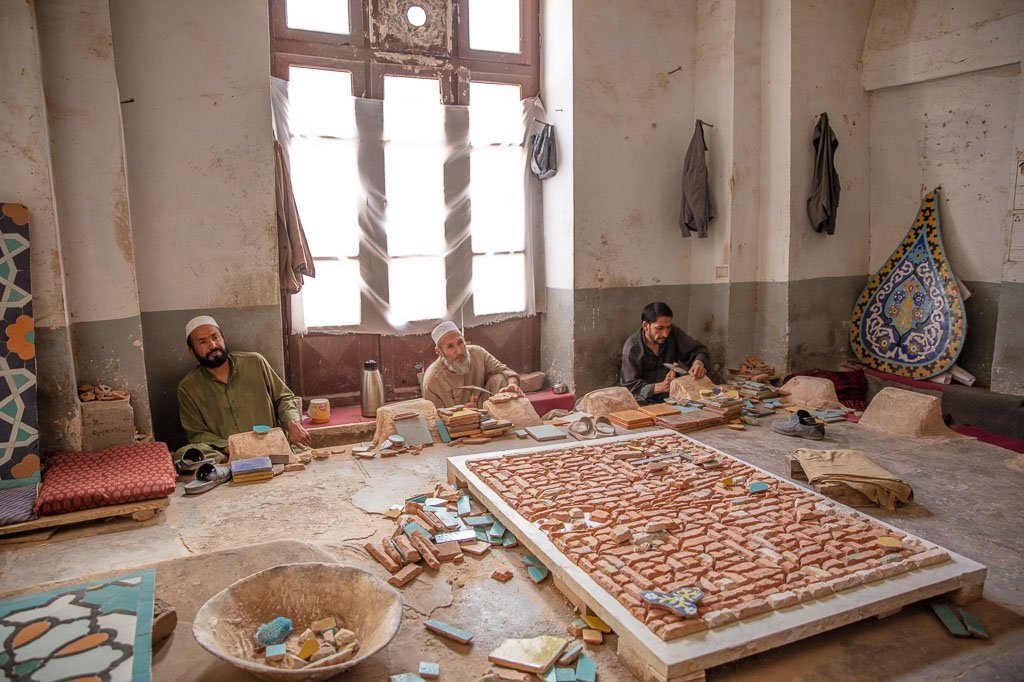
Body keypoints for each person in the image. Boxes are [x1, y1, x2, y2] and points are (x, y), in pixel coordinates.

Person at [175, 315, 310, 462]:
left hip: (271, 443)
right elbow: (197, 433)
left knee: (305, 453)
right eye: (202, 342)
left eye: (215, 337)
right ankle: (232, 462)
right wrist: (231, 447)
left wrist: (292, 423)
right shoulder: (187, 388)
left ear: (223, 338)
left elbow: (283, 398)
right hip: (228, 451)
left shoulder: (255, 362)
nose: (213, 346)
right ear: (192, 350)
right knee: (183, 454)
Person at [620, 302, 710, 404]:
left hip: (673, 399)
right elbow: (629, 387)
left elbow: (699, 350)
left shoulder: (674, 333)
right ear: (645, 326)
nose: (666, 334)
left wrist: (698, 363)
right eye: (659, 328)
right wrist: (660, 387)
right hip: (644, 403)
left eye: (668, 327)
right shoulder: (632, 348)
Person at [421, 321, 523, 409]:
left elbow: (504, 371)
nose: (459, 351)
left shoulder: (477, 353)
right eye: (450, 347)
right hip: (457, 425)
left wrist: (512, 384)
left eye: (460, 342)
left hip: (487, 408)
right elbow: (437, 420)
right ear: (439, 352)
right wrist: (463, 413)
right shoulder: (432, 380)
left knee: (500, 378)